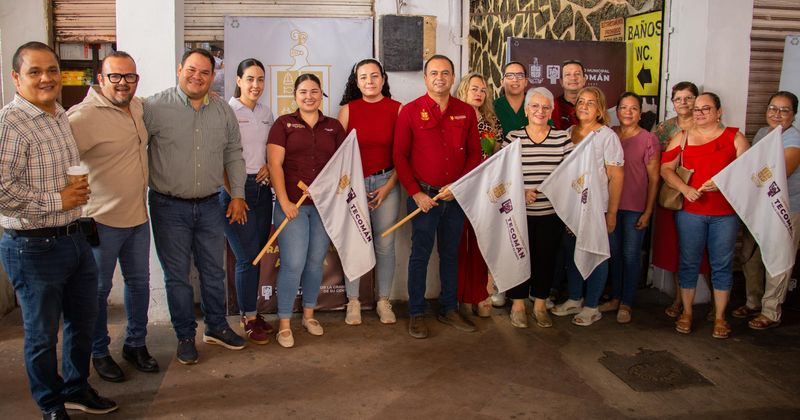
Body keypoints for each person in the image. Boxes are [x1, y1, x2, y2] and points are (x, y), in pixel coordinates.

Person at [0, 41, 117, 418]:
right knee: (41, 335)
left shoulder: (59, 114)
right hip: (32, 247)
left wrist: (72, 204)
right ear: (16, 78)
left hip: (74, 237)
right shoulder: (9, 124)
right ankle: (51, 405)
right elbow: (2, 190)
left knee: (82, 323)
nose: (46, 78)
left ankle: (76, 388)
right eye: (35, 72)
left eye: (51, 70)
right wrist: (58, 200)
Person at [144, 48, 248, 364]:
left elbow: (233, 153)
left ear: (213, 76)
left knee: (213, 272)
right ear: (180, 70)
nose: (197, 77)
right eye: (192, 70)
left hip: (210, 205)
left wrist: (238, 194)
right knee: (177, 276)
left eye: (205, 72)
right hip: (167, 206)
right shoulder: (153, 106)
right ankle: (185, 336)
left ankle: (216, 327)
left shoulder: (222, 111)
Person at [67, 51, 158, 383]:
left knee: (139, 285)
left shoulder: (136, 106)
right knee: (97, 292)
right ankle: (99, 352)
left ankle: (135, 343)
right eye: (115, 77)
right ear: (100, 79)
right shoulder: (83, 117)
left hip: (137, 217)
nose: (123, 83)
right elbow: (57, 162)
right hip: (100, 223)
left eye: (130, 77)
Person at [394, 55, 482, 339]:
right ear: (425, 78)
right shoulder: (410, 111)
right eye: (434, 73)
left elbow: (474, 154)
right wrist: (415, 192)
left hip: (455, 198)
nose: (439, 78)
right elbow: (400, 156)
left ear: (453, 77)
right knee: (419, 255)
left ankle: (449, 308)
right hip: (424, 197)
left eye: (445, 73)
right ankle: (417, 312)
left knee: (450, 254)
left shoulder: (466, 112)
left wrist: (460, 187)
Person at [660, 92, 749, 339]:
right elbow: (666, 169)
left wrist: (723, 183)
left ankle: (720, 317)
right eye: (697, 109)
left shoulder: (735, 137)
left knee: (722, 264)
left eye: (706, 109)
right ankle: (687, 312)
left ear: (719, 112)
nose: (699, 113)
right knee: (688, 262)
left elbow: (748, 172)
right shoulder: (683, 137)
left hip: (725, 214)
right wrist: (684, 188)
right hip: (691, 213)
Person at [268, 73, 346, 347]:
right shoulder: (283, 124)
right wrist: (285, 201)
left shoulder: (334, 127)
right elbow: (275, 165)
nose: (309, 96)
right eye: (303, 92)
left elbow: (342, 166)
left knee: (315, 262)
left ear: (321, 94)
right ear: (295, 96)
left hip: (323, 208)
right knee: (293, 264)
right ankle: (285, 322)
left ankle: (310, 314)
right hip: (293, 208)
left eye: (314, 91)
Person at [551, 86, 624, 327]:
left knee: (595, 252)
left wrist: (611, 213)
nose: (583, 106)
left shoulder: (606, 136)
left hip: (597, 207)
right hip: (572, 208)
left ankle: (592, 305)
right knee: (572, 253)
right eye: (580, 101)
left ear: (600, 109)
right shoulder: (568, 133)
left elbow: (616, 176)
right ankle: (574, 298)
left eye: (590, 103)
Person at [501, 87, 573, 328]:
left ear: (551, 111)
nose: (540, 111)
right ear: (526, 109)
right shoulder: (513, 138)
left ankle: (540, 304)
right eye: (535, 106)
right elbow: (500, 176)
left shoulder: (562, 139)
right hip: (519, 214)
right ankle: (518, 304)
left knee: (546, 258)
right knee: (518, 257)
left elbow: (571, 176)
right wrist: (519, 192)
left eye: (545, 107)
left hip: (551, 214)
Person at [337, 58, 401, 326]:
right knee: (354, 243)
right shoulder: (347, 110)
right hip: (354, 186)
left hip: (387, 182)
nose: (370, 81)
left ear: (383, 79)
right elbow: (338, 157)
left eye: (374, 76)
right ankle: (353, 301)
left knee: (384, 245)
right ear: (357, 81)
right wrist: (351, 187)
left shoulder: (398, 109)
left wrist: (388, 187)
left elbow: (403, 155)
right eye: (363, 77)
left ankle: (383, 300)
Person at [221, 58, 275, 344]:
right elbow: (219, 158)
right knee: (245, 257)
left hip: (262, 189)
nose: (256, 85)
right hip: (235, 192)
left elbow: (270, 149)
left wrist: (268, 163)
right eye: (250, 79)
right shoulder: (226, 111)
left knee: (256, 255)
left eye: (260, 79)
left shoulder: (267, 113)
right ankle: (249, 316)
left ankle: (252, 312)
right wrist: (234, 195)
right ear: (239, 80)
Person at [738, 91, 800, 330]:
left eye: (784, 110)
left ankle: (771, 311)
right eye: (773, 108)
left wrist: (748, 176)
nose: (777, 114)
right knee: (750, 255)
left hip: (785, 208)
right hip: (759, 206)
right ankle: (753, 301)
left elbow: (781, 173)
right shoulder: (764, 133)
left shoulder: (792, 139)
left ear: (793, 115)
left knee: (778, 258)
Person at [651, 82, 712, 319]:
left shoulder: (709, 126)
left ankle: (716, 304)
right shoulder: (665, 129)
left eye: (689, 98)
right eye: (678, 99)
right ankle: (679, 299)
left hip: (704, 195)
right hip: (673, 195)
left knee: (707, 251)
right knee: (677, 249)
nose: (683, 103)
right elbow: (656, 160)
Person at [600, 92, 661, 323]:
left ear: (640, 113)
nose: (628, 112)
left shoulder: (648, 139)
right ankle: (615, 297)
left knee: (631, 254)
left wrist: (648, 212)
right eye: (624, 107)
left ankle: (626, 302)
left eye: (633, 108)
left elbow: (654, 179)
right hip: (610, 205)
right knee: (613, 254)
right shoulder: (610, 134)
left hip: (635, 207)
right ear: (617, 111)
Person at [454, 72, 502, 318]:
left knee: (482, 243)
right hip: (462, 188)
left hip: (485, 190)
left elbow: (498, 154)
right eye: (474, 88)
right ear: (463, 90)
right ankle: (461, 295)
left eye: (483, 90)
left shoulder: (491, 119)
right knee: (460, 244)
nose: (479, 93)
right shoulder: (456, 117)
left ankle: (480, 292)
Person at [490, 61, 528, 307]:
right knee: (503, 234)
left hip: (531, 177)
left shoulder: (535, 102)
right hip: (501, 177)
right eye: (509, 75)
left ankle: (523, 290)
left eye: (519, 75)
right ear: (503, 80)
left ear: (526, 81)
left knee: (525, 235)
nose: (514, 80)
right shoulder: (494, 106)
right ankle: (499, 285)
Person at [551, 59, 587, 130]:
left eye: (577, 74)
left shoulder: (594, 107)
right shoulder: (552, 106)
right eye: (568, 74)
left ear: (584, 80)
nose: (573, 78)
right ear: (561, 81)